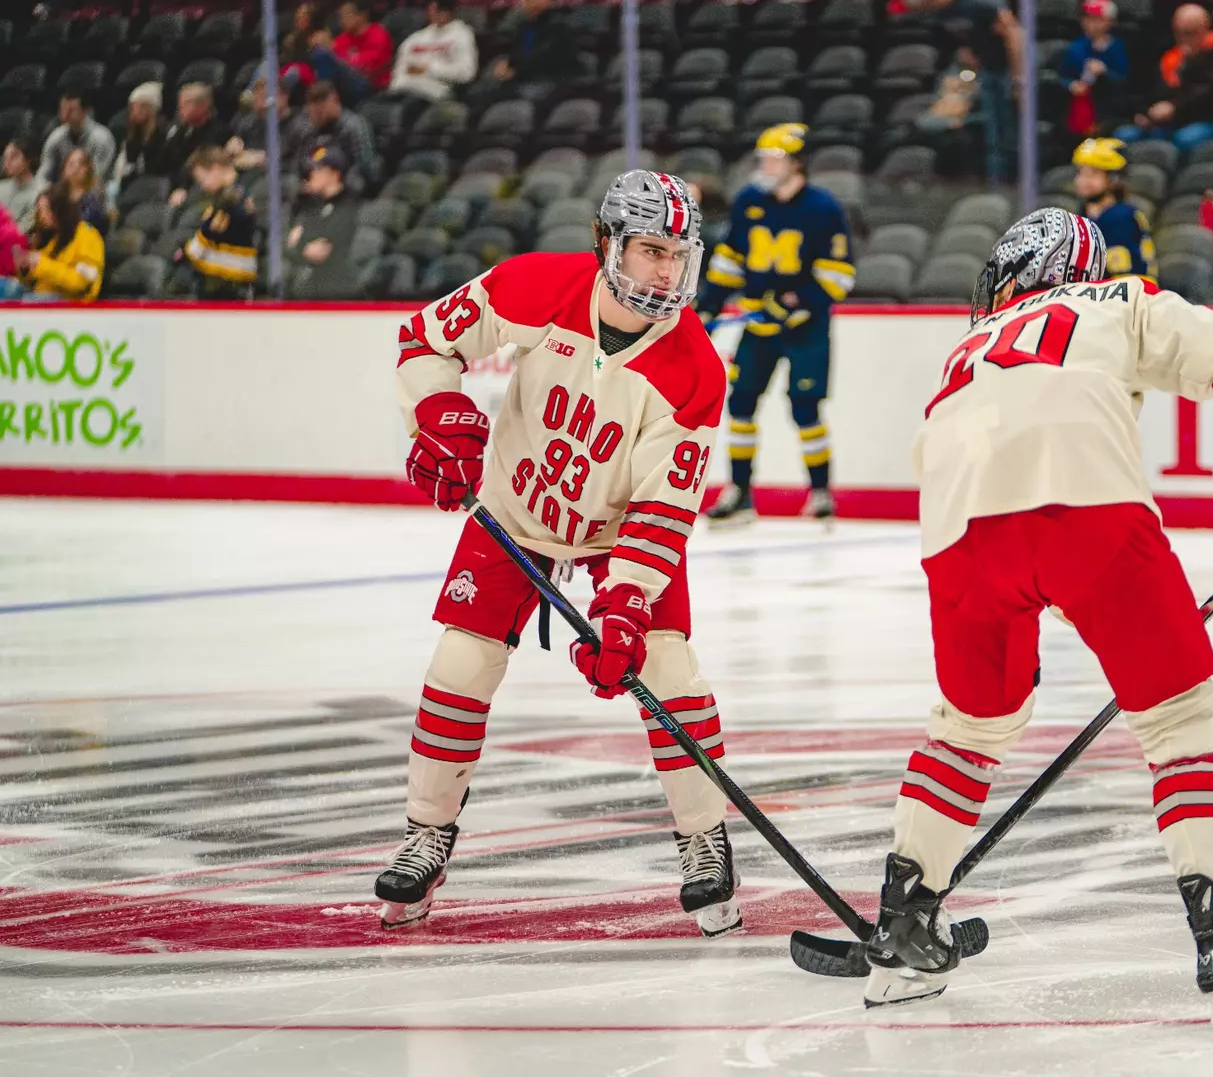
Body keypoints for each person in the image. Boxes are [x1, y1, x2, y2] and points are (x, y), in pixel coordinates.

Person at [859, 207, 1213, 1034]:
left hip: (955, 540)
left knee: (966, 730)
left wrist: (1036, 589)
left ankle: (901, 924)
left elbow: (973, 474)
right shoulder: (1114, 301)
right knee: (1177, 718)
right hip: (1088, 519)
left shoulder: (962, 352)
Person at [375, 171, 742, 942]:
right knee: (459, 665)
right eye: (649, 251)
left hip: (616, 538)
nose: (667, 272)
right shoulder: (537, 284)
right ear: (608, 243)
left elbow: (662, 510)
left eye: (679, 254)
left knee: (669, 674)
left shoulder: (696, 370)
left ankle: (704, 838)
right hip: (513, 512)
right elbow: (425, 339)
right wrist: (438, 414)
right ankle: (426, 834)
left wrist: (627, 606)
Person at [698, 124, 857, 526]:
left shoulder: (823, 209)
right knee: (740, 406)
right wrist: (709, 306)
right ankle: (739, 494)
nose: (766, 165)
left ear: (797, 164)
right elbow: (730, 258)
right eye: (764, 158)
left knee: (805, 408)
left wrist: (794, 303)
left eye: (775, 158)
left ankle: (820, 494)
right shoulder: (750, 200)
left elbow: (839, 274)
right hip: (759, 328)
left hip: (805, 328)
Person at [894, 0, 1025, 186]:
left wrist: (1019, 79)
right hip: (986, 67)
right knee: (994, 135)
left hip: (1006, 68)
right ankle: (997, 185)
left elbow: (1013, 32)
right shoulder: (938, 11)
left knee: (1007, 133)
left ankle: (1015, 187)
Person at [1121, 4, 1213, 152]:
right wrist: (1145, 112)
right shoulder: (1170, 55)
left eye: (1189, 33)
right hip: (1167, 121)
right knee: (1124, 135)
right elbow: (1150, 90)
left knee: (1184, 139)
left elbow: (1208, 93)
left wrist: (1175, 107)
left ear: (1205, 29)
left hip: (1203, 119)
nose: (1182, 39)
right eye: (1178, 33)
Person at [0, 182, 104, 302]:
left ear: (60, 210)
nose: (42, 216)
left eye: (46, 210)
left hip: (71, 303)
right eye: (40, 210)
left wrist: (41, 263)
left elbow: (82, 283)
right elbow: (36, 281)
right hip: (41, 296)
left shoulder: (88, 236)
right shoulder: (51, 238)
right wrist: (25, 268)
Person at [1071, 137, 1156, 280]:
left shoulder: (1121, 217)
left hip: (1133, 294)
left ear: (1114, 180)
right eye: (1080, 173)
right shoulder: (1084, 214)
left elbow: (1122, 279)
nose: (1082, 180)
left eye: (1092, 174)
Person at [180, 145, 259, 298]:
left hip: (231, 284)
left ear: (216, 169)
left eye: (202, 179)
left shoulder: (238, 196)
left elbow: (212, 231)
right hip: (218, 279)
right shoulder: (222, 196)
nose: (203, 186)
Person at [387, 0, 479, 119]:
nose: (432, 13)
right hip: (403, 88)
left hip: (434, 92)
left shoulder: (462, 35)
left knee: (405, 110)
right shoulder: (416, 38)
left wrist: (429, 69)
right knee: (374, 106)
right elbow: (401, 66)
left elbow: (466, 73)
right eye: (430, 9)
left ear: (449, 11)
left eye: (437, 9)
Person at [286, 146, 361, 299]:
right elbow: (291, 245)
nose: (311, 174)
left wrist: (301, 244)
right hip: (315, 286)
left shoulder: (349, 206)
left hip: (339, 290)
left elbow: (322, 250)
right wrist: (302, 247)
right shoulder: (313, 206)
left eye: (318, 169)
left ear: (334, 174)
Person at [288, 81, 383, 193]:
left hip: (346, 187)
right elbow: (300, 161)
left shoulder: (354, 126)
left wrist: (338, 184)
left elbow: (366, 166)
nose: (318, 118)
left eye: (321, 112)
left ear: (335, 100)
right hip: (315, 184)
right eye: (313, 114)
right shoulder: (310, 129)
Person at [491, 0, 581, 95]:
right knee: (490, 92)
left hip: (554, 79)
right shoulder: (526, 27)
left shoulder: (560, 26)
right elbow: (520, 53)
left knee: (521, 93)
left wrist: (515, 71)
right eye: (526, 0)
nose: (528, 4)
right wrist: (507, 64)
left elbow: (544, 58)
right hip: (526, 77)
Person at [1060, 0, 1129, 140]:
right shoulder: (1076, 47)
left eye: (1097, 19)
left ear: (1110, 22)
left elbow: (1124, 81)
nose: (1091, 24)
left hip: (1109, 107)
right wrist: (1071, 85)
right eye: (1087, 19)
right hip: (1081, 106)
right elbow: (1063, 75)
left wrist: (1105, 72)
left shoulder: (1118, 48)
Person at [160, 83, 231, 204]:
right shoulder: (181, 132)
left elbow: (200, 166)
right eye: (180, 104)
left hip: (202, 191)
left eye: (186, 104)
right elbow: (167, 163)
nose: (180, 108)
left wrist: (183, 188)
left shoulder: (219, 132)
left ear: (203, 106)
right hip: (176, 189)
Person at [40, 89, 117, 185]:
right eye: (62, 109)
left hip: (98, 190)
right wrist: (43, 193)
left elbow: (95, 177)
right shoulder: (57, 135)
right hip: (65, 188)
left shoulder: (102, 137)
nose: (64, 115)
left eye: (71, 110)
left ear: (85, 111)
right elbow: (43, 173)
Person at [227, 72, 299, 173]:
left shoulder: (298, 124)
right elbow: (237, 141)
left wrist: (262, 159)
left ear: (284, 96)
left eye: (265, 97)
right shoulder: (251, 121)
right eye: (257, 99)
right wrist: (234, 143)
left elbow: (291, 161)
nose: (261, 104)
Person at [112, 81, 170, 196]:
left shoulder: (164, 134)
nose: (133, 112)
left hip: (153, 187)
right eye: (132, 107)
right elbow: (126, 164)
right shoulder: (133, 134)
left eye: (138, 107)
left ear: (151, 109)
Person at [327, 1, 394, 93]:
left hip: (373, 85)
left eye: (346, 14)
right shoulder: (342, 38)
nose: (342, 20)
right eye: (340, 16)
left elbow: (372, 65)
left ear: (363, 15)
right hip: (345, 83)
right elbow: (334, 60)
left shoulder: (379, 34)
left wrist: (346, 61)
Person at [60, 147, 110, 237]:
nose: (76, 169)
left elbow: (86, 224)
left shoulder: (95, 196)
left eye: (81, 164)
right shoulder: (58, 193)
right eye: (71, 164)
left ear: (88, 168)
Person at [1, 139, 42, 230]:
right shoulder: (1, 187)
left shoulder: (39, 193)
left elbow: (23, 229)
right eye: (5, 158)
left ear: (28, 159)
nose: (7, 162)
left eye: (13, 157)